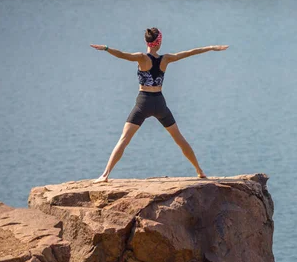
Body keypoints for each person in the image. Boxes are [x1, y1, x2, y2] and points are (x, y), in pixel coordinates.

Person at [90, 27, 228, 182]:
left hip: (143, 102)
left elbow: (122, 55)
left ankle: (105, 175)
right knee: (179, 138)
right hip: (160, 103)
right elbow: (189, 52)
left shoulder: (141, 57)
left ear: (146, 41)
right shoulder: (166, 59)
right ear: (159, 42)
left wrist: (106, 48)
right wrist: (210, 48)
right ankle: (200, 171)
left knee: (124, 139)